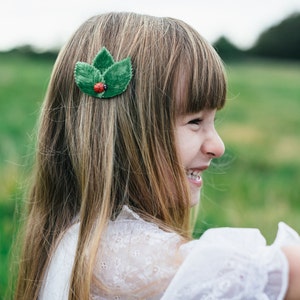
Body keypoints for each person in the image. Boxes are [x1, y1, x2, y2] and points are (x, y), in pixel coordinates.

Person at [14, 12, 300, 300]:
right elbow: (283, 276)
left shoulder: (75, 239)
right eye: (194, 122)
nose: (218, 146)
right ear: (125, 133)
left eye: (213, 121)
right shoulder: (121, 256)